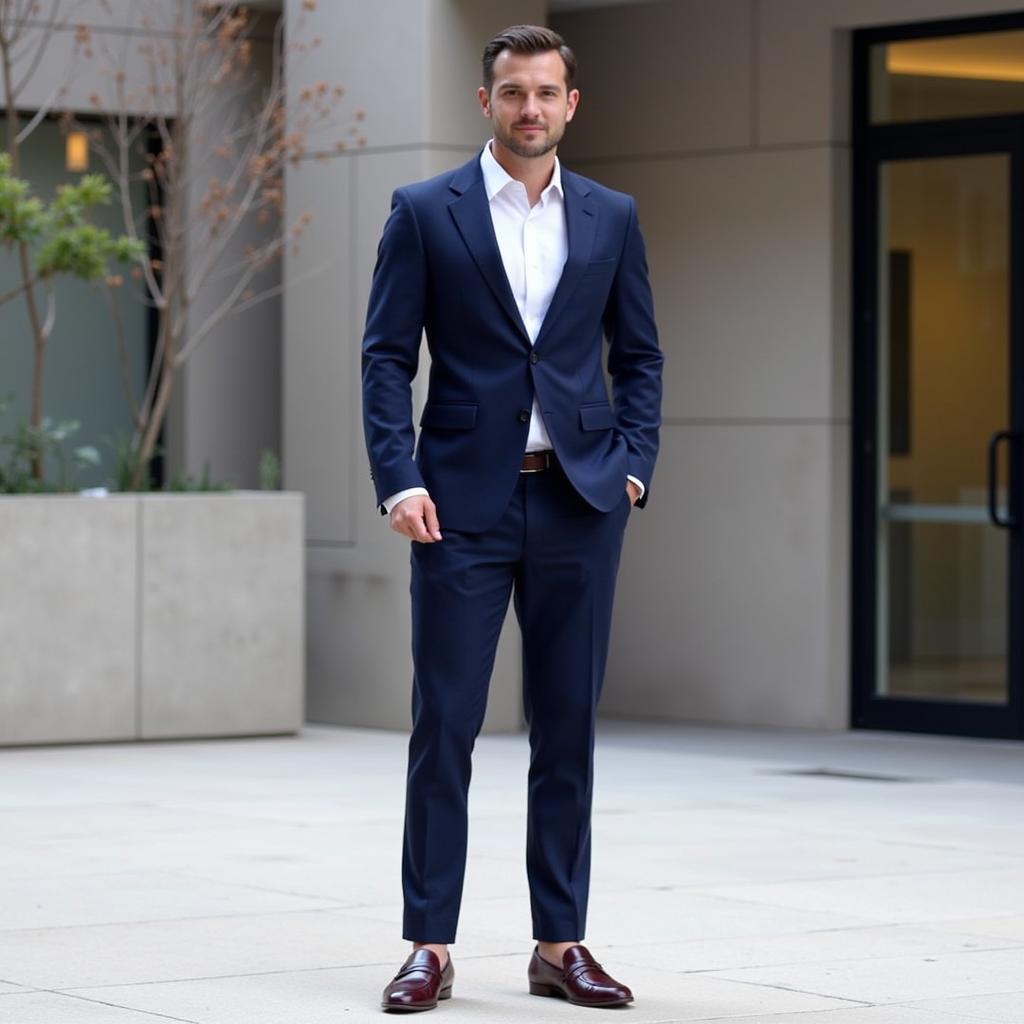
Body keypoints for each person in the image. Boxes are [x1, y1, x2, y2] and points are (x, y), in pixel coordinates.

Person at [362, 23, 663, 1013]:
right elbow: (384, 357)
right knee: (444, 724)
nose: (529, 108)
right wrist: (398, 475)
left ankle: (559, 942)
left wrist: (632, 466)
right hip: (457, 508)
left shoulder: (612, 217)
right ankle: (429, 946)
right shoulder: (424, 212)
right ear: (484, 100)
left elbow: (641, 355)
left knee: (566, 727)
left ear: (572, 104)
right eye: (511, 92)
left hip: (579, 501)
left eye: (545, 92)